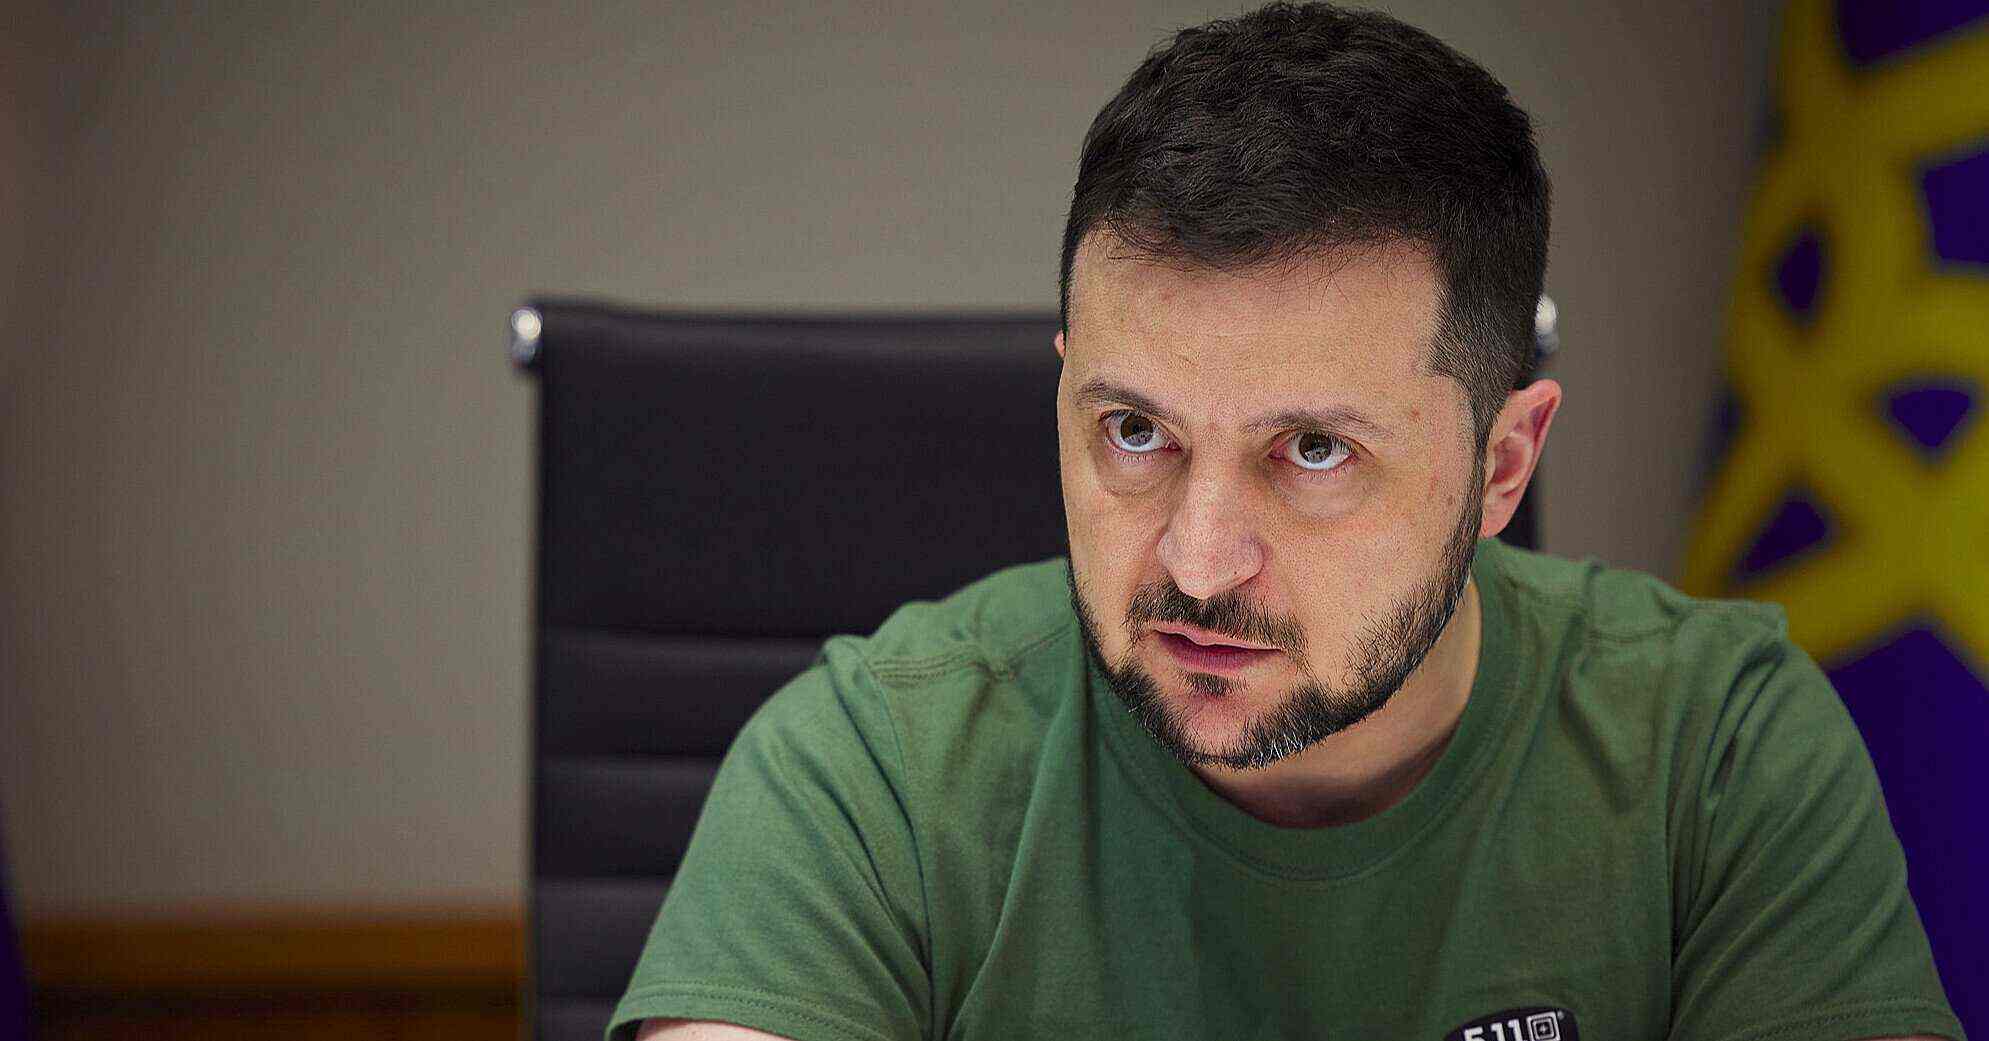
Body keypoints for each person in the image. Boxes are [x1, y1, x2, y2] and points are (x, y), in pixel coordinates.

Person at [608, 4, 1966, 1039]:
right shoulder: (869, 773)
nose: (1198, 563)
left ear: (1502, 464)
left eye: (1313, 451)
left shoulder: (1718, 753)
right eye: (1133, 432)